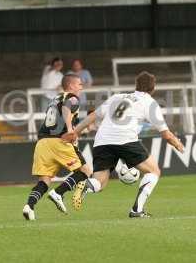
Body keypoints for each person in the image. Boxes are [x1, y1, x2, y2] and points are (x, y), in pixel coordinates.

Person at [63, 71, 184, 218]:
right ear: (153, 88)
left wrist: (75, 132)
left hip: (102, 141)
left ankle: (86, 185)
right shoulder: (149, 103)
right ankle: (136, 210)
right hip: (125, 140)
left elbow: (93, 115)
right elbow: (166, 134)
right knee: (154, 172)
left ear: (136, 85)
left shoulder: (117, 97)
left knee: (99, 183)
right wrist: (179, 145)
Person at [22, 73, 92, 221]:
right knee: (86, 171)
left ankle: (29, 206)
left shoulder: (55, 99)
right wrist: (70, 129)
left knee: (44, 180)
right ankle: (58, 193)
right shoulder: (72, 98)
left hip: (43, 142)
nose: (81, 86)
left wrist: (79, 129)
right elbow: (67, 109)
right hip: (59, 141)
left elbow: (58, 118)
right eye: (79, 84)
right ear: (71, 85)